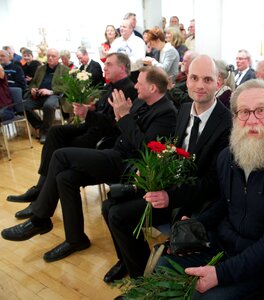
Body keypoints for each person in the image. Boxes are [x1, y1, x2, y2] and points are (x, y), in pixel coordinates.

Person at [156, 79, 264, 299]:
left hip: (263, 264)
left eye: (261, 111)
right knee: (165, 265)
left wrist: (220, 274)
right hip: (224, 246)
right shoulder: (229, 156)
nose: (251, 120)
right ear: (235, 118)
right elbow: (226, 202)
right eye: (243, 112)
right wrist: (196, 226)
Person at [2, 66, 177, 263]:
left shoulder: (167, 112)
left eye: (140, 83)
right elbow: (116, 128)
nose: (135, 85)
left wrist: (124, 117)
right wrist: (112, 116)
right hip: (113, 153)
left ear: (153, 88)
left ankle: (39, 219)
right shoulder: (139, 101)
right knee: (65, 177)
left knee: (60, 156)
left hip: (128, 166)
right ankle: (76, 239)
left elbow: (146, 149)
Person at [101, 55, 232, 282]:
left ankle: (140, 280)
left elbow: (213, 182)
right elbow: (172, 150)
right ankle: (130, 262)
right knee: (107, 205)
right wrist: (153, 170)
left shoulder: (226, 123)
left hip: (193, 201)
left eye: (207, 79)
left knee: (118, 215)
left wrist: (169, 196)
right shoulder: (183, 109)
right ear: (187, 80)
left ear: (218, 84)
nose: (200, 85)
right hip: (172, 187)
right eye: (194, 78)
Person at [6, 53, 137, 219]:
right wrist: (90, 109)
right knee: (55, 132)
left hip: (102, 137)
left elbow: (114, 126)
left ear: (122, 68)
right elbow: (103, 112)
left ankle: (40, 201)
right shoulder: (111, 86)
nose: (105, 67)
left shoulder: (128, 90)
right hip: (92, 127)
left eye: (109, 64)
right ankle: (40, 188)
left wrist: (88, 114)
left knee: (60, 151)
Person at [24, 48, 69, 144]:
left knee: (48, 106)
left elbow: (66, 86)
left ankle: (45, 132)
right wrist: (33, 88)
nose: (50, 58)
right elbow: (33, 82)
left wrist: (51, 91)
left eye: (53, 56)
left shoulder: (65, 70)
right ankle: (41, 126)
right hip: (38, 95)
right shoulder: (40, 68)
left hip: (54, 95)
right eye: (48, 56)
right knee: (25, 106)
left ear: (58, 58)